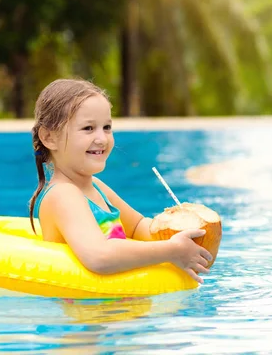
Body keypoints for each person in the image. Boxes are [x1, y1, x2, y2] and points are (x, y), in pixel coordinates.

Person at [28, 78, 213, 283]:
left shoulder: (96, 187)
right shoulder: (63, 195)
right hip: (91, 312)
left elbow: (137, 227)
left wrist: (179, 231)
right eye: (88, 128)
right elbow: (99, 256)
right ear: (49, 137)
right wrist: (170, 250)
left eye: (107, 127)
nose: (102, 138)